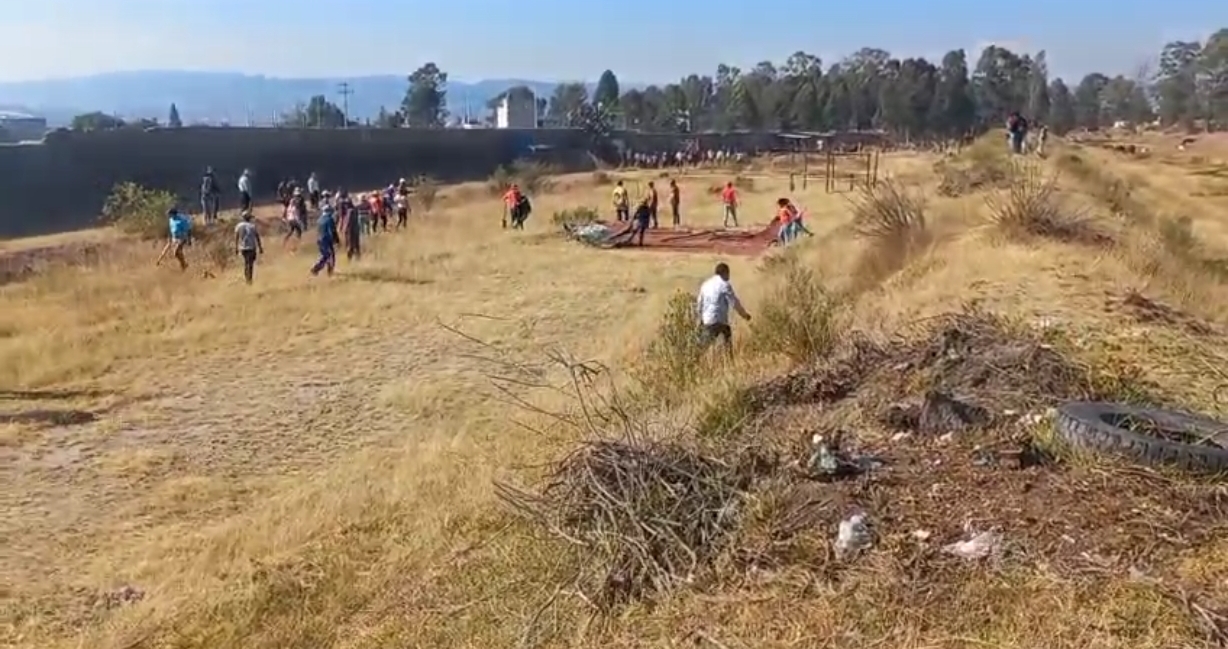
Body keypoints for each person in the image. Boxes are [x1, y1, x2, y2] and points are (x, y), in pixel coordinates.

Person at [697, 262, 750, 353]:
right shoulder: (724, 284)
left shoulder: (705, 284)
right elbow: (734, 302)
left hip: (707, 320)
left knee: (704, 346)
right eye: (728, 274)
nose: (729, 277)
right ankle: (728, 358)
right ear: (725, 273)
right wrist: (744, 315)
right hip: (718, 320)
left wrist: (700, 319)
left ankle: (696, 357)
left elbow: (699, 303)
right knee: (726, 335)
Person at [233, 210, 264, 284]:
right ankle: (249, 279)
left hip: (243, 247)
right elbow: (257, 237)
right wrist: (260, 247)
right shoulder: (252, 226)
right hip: (251, 247)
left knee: (246, 263)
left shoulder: (239, 226)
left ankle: (247, 278)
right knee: (250, 264)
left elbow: (236, 237)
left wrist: (236, 247)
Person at [311, 205, 340, 276]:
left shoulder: (319, 219)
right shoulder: (329, 219)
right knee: (331, 256)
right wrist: (337, 241)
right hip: (327, 240)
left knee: (325, 256)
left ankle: (316, 269)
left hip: (319, 240)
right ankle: (329, 272)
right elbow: (332, 231)